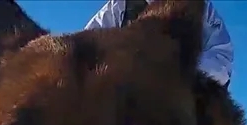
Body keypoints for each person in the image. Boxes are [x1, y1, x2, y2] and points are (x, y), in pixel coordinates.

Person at [84, 0, 234, 89]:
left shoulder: (200, 7)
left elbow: (221, 60)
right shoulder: (120, 7)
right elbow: (87, 46)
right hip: (128, 104)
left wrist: (180, 72)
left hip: (183, 105)